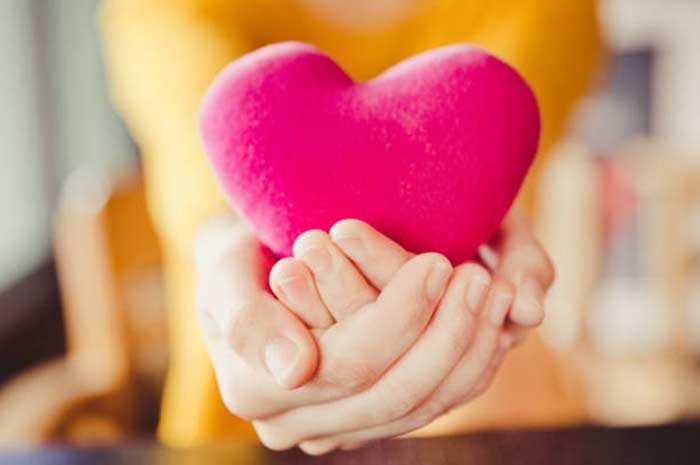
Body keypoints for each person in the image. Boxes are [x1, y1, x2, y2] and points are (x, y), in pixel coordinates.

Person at [99, 0, 603, 452]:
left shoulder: (550, 8)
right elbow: (212, 175)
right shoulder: (164, 10)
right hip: (237, 428)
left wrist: (490, 218)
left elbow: (497, 137)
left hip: (489, 414)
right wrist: (227, 255)